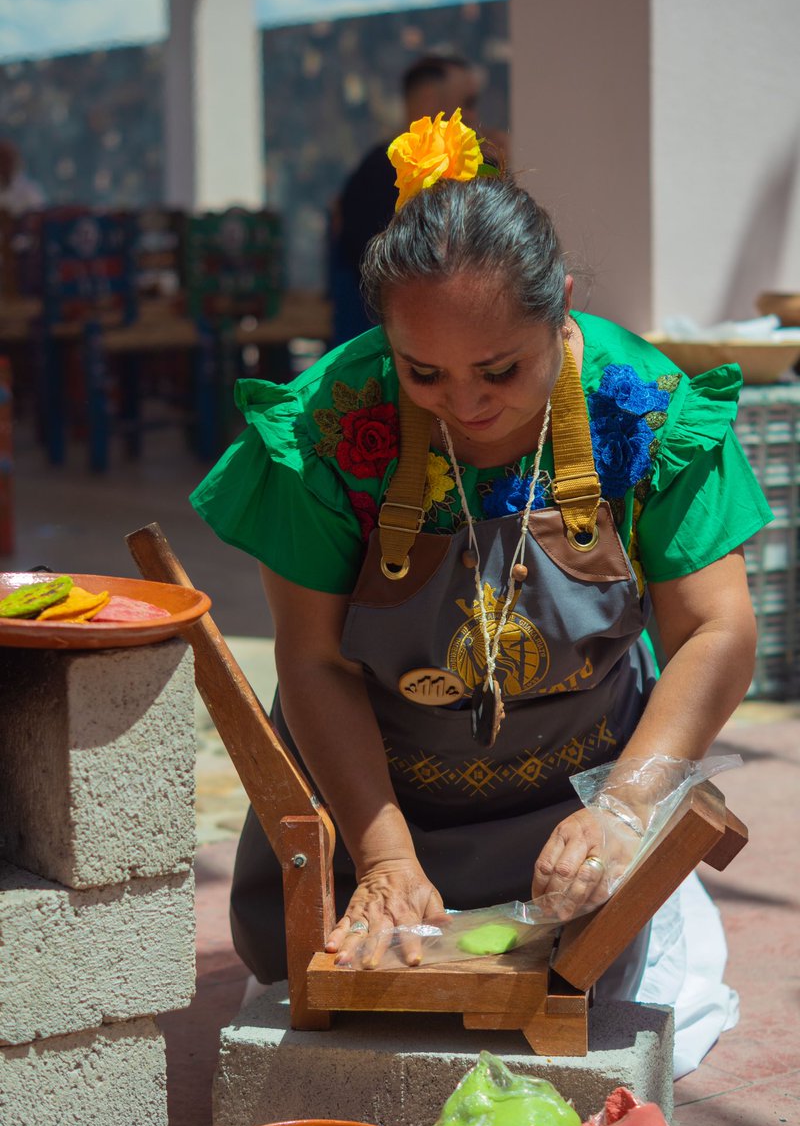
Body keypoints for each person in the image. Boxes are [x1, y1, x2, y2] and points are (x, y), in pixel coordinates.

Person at [191, 112, 772, 1075]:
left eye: (501, 370)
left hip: (571, 829)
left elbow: (716, 629)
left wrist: (624, 809)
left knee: (581, 982)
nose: (466, 405)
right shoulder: (336, 419)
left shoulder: (644, 404)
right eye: (424, 373)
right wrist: (382, 858)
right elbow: (316, 661)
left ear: (563, 309)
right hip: (370, 811)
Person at [330, 53, 483, 344]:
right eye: (468, 103)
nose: (474, 117)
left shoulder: (382, 167)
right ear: (428, 99)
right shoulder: (382, 172)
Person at [0, 139, 45, 215]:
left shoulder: (29, 189)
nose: (3, 163)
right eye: (1, 158)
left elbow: (39, 213)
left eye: (6, 159)